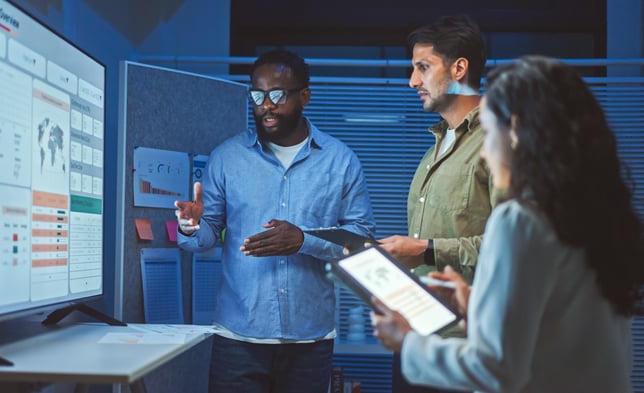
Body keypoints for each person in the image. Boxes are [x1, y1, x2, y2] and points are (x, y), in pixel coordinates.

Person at [372, 55, 644, 393]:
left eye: (488, 131)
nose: (485, 152)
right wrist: (478, 306)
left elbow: (496, 370)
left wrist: (408, 341)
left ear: (514, 131)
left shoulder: (519, 220)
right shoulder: (599, 215)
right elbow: (563, 327)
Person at [174, 49, 376, 393]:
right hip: (238, 338)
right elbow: (205, 236)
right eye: (257, 94)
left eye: (277, 94)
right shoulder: (227, 158)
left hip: (309, 341)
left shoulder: (340, 162)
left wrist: (303, 241)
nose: (265, 104)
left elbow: (362, 240)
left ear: (305, 96)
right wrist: (190, 225)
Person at [376, 15, 499, 393]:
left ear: (459, 68)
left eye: (423, 67)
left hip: (464, 348)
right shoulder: (436, 147)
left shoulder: (498, 144)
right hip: (416, 336)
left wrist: (427, 250)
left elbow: (511, 248)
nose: (413, 81)